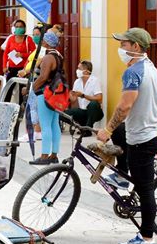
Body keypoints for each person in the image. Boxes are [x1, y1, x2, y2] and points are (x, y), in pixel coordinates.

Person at [96, 28, 157, 244]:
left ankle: (147, 238)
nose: (121, 49)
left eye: (124, 44)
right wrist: (146, 115)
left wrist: (107, 129)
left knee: (145, 189)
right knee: (121, 133)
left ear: (136, 47)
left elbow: (124, 106)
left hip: (143, 139)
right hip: (153, 132)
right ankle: (122, 178)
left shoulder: (133, 73)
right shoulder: (153, 70)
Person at [29, 30, 66, 165]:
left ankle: (44, 156)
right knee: (54, 124)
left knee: (45, 125)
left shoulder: (47, 58)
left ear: (47, 42)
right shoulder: (58, 56)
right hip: (56, 94)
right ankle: (54, 155)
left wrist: (32, 88)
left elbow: (43, 77)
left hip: (45, 94)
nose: (40, 40)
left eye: (42, 38)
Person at [64, 60, 104, 127]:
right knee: (62, 115)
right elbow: (75, 102)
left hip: (94, 112)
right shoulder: (77, 82)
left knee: (93, 104)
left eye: (79, 69)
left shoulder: (94, 81)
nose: (77, 70)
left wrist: (83, 95)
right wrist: (72, 99)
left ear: (86, 71)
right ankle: (80, 126)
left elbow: (99, 99)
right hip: (82, 112)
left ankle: (87, 128)